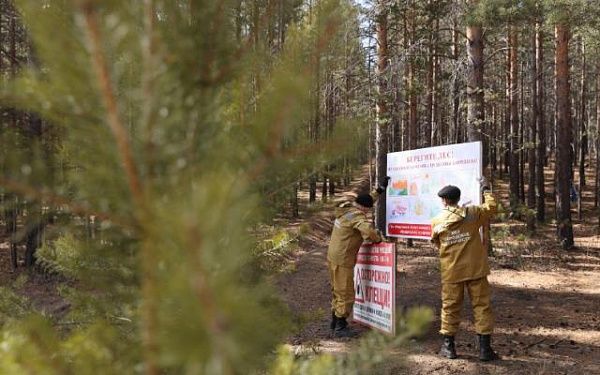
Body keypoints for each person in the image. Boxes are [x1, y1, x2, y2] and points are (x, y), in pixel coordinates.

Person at [430, 179, 499, 361]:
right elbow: (492, 207)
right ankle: (485, 350)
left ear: (444, 201)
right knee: (482, 306)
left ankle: (449, 348)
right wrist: (486, 190)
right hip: (476, 269)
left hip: (452, 271)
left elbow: (437, 243)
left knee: (450, 307)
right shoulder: (472, 213)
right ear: (458, 198)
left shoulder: (437, 220)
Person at [327, 177, 389, 337]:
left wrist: (380, 190)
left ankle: (335, 321)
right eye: (367, 210)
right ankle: (340, 327)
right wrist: (378, 239)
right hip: (343, 259)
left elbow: (367, 200)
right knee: (346, 293)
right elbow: (368, 232)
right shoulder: (357, 217)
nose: (368, 212)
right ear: (364, 209)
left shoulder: (348, 209)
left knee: (337, 290)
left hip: (333, 256)